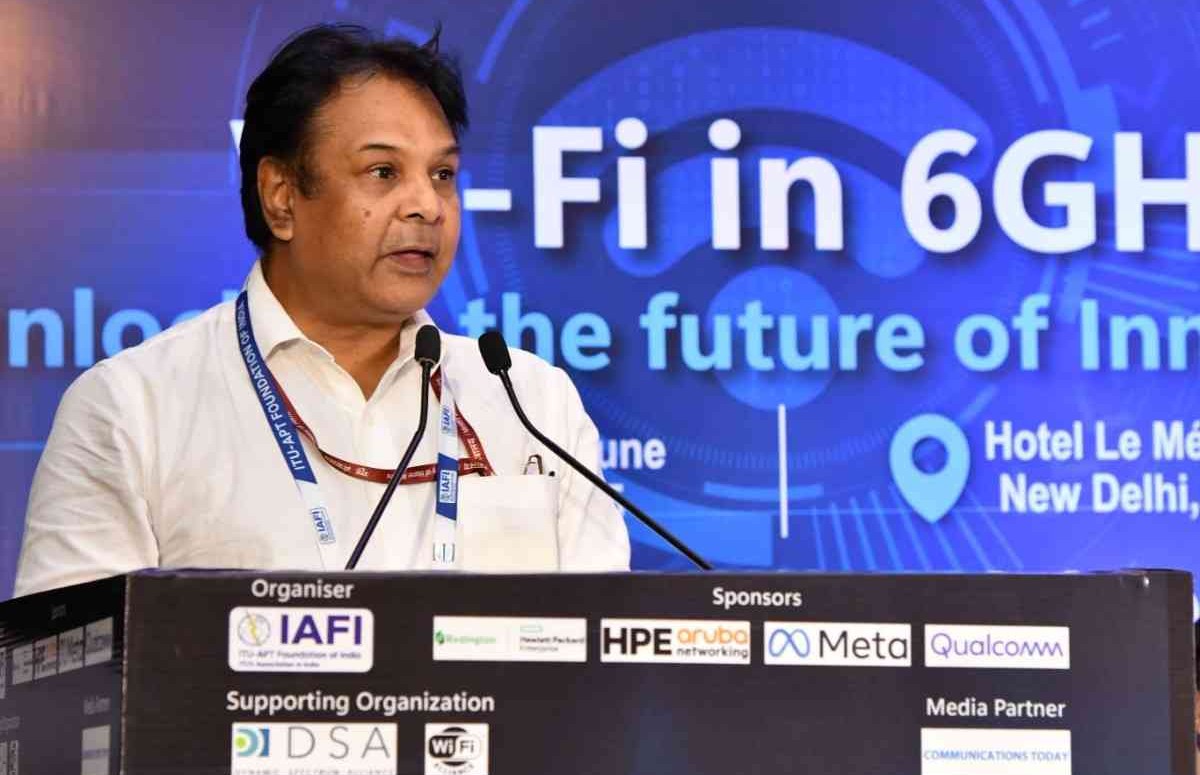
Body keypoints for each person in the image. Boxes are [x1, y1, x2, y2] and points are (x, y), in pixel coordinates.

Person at [13, 24, 630, 597]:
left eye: (442, 174)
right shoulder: (131, 410)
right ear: (282, 198)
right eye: (383, 171)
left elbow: (607, 649)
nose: (427, 205)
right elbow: (72, 663)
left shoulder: (533, 405)